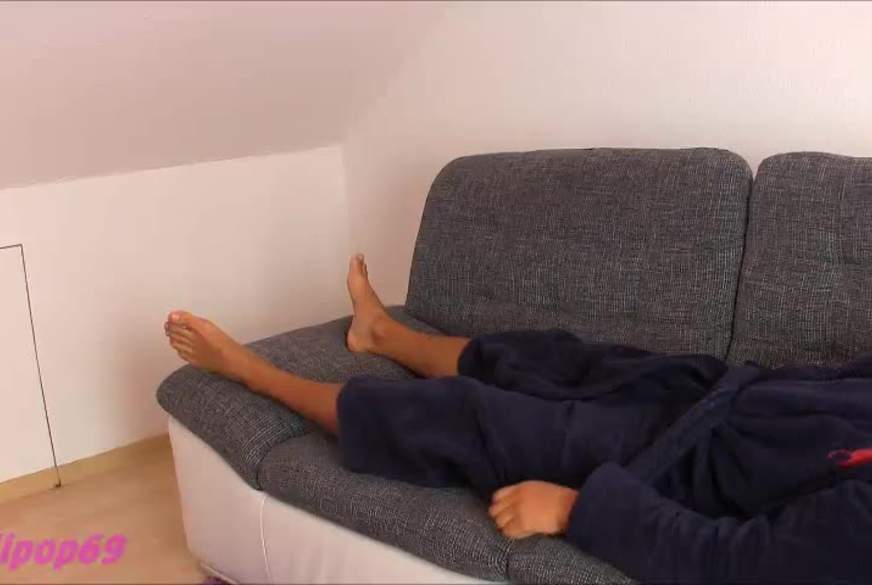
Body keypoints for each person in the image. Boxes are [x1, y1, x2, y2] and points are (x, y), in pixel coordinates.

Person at [164, 255, 871, 584]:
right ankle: (381, 333)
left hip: (682, 467)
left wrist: (573, 510)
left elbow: (730, 563)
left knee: (467, 417)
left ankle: (253, 373)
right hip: (722, 391)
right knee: (555, 356)